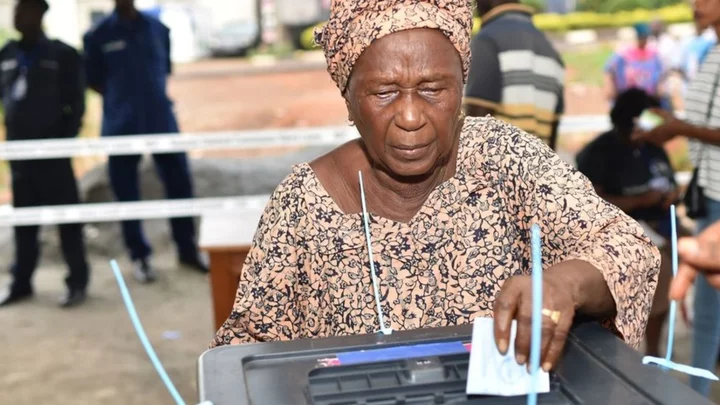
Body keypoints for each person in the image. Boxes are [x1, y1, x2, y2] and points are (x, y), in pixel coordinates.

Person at [211, 0, 660, 374]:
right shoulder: (302, 204)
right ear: (348, 99)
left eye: (433, 89)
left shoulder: (503, 158)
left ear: (462, 87)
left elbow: (628, 247)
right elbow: (250, 356)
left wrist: (565, 282)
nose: (410, 117)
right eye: (384, 92)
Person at [83, 0, 207, 282]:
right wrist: (123, 101)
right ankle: (140, 257)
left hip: (160, 120)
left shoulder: (157, 29)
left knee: (179, 184)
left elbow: (163, 70)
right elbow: (94, 81)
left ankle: (187, 249)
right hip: (121, 125)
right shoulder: (97, 36)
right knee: (126, 193)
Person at [633, 0, 720, 396]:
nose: (694, 4)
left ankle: (697, 393)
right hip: (711, 189)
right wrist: (673, 125)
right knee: (706, 309)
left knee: (706, 309)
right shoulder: (710, 50)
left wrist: (679, 127)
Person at [0, 0, 90, 308]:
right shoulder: (7, 54)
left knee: (68, 220)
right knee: (25, 222)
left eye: (23, 9)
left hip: (54, 154)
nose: (17, 15)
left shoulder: (62, 54)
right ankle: (21, 282)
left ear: (39, 14)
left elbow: (76, 104)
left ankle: (77, 281)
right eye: (15, 10)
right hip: (20, 155)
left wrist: (62, 141)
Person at [576, 88, 678, 358]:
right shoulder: (600, 151)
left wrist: (671, 195)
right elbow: (590, 203)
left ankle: (656, 353)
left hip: (663, 227)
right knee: (661, 268)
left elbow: (670, 181)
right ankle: (642, 353)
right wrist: (640, 201)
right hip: (622, 232)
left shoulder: (653, 148)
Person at [464, 0, 565, 150]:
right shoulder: (550, 51)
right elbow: (552, 139)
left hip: (494, 167)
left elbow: (476, 123)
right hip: (538, 169)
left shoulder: (487, 40)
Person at [604, 23, 664, 105]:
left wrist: (659, 87)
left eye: (645, 37)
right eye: (641, 38)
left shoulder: (653, 54)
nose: (643, 40)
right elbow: (609, 71)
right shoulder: (623, 54)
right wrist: (610, 88)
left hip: (649, 98)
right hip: (627, 98)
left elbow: (659, 73)